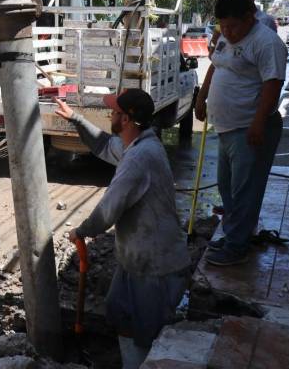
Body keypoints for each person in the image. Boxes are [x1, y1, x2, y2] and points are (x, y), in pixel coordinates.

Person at [55, 90, 191, 369]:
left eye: (115, 112)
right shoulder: (140, 144)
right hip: (137, 259)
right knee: (118, 309)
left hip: (156, 265)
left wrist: (82, 231)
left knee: (146, 331)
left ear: (126, 119)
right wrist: (76, 119)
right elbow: (104, 144)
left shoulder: (139, 158)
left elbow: (108, 209)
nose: (110, 115)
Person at [195, 0, 287, 266]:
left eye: (232, 26)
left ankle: (237, 246)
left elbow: (273, 84)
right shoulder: (227, 37)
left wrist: (258, 122)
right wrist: (201, 97)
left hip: (249, 128)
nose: (227, 32)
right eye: (222, 26)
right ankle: (234, 236)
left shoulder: (266, 43)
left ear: (249, 17)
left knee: (245, 191)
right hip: (226, 128)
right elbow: (216, 65)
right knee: (227, 188)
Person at [209, 0, 277, 53]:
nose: (227, 33)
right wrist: (213, 49)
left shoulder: (265, 21)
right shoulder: (227, 21)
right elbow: (214, 42)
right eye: (231, 1)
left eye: (233, 26)